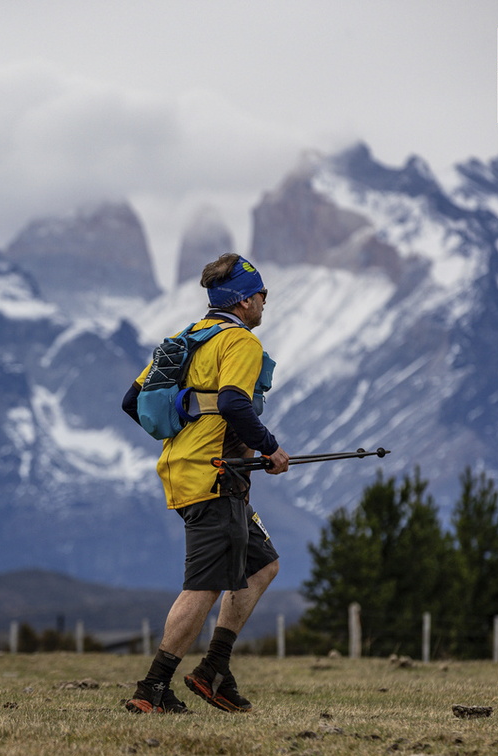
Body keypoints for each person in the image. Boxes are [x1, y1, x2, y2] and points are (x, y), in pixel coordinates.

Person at [120, 253, 290, 714]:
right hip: (215, 476)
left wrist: (185, 428)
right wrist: (270, 448)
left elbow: (132, 401)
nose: (263, 303)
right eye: (260, 295)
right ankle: (151, 689)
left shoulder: (187, 338)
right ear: (242, 301)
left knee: (262, 566)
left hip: (192, 470)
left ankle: (214, 669)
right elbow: (236, 403)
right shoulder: (240, 344)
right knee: (205, 584)